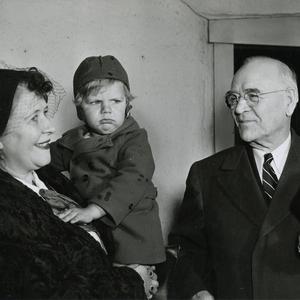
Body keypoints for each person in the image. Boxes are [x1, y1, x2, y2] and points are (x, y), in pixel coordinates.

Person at [0, 67, 158, 299]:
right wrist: (133, 283)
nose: (50, 126)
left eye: (45, 112)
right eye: (34, 117)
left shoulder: (50, 179)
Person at [168, 56, 300, 299]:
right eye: (234, 98)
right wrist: (197, 290)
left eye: (253, 95)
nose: (238, 109)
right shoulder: (205, 174)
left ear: (289, 101)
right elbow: (187, 251)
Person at [50, 55, 166, 271]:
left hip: (132, 236)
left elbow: (132, 179)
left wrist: (94, 210)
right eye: (95, 102)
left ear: (127, 105)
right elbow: (42, 160)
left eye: (116, 101)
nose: (107, 110)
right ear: (80, 108)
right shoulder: (73, 140)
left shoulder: (135, 139)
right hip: (96, 231)